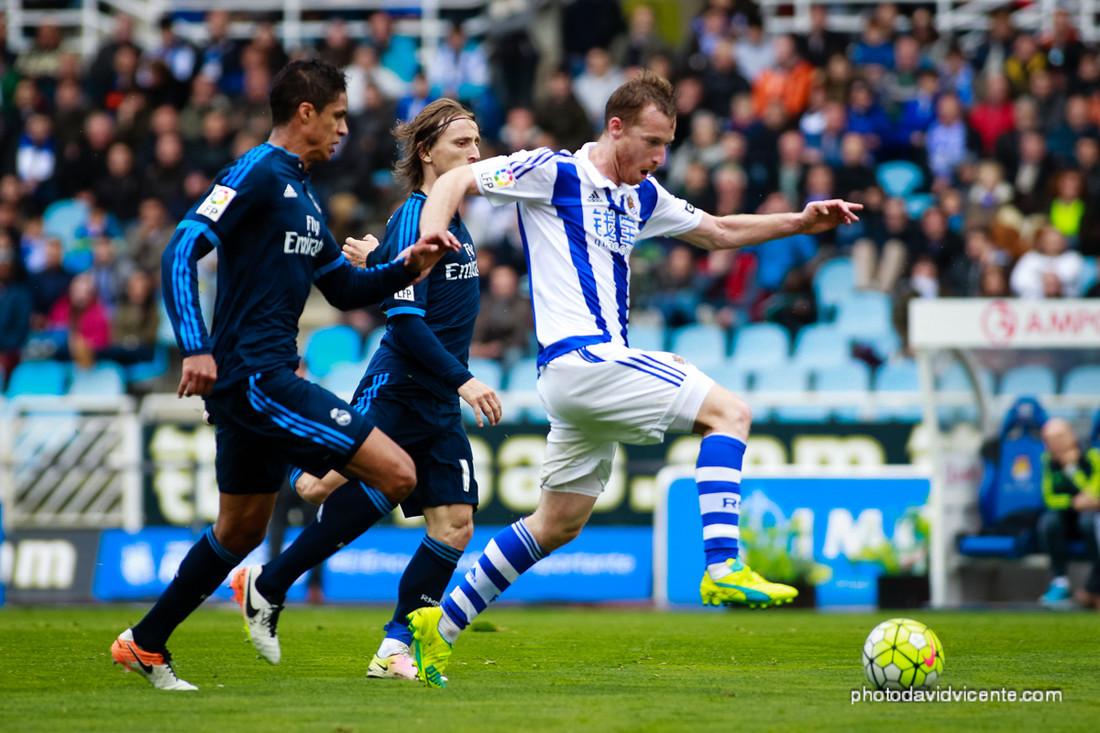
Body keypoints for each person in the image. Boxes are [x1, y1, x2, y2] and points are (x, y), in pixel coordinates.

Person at [406, 71, 861, 687]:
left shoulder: (642, 195)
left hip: (579, 382)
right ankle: (723, 563)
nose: (659, 158)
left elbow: (720, 231)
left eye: (666, 145)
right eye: (651, 142)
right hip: (583, 359)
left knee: (557, 522)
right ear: (615, 128)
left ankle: (440, 626)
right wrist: (434, 232)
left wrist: (801, 222)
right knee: (731, 414)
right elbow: (461, 177)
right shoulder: (554, 171)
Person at [109, 58, 458, 691]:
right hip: (256, 377)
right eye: (338, 116)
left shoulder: (302, 193)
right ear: (306, 113)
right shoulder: (257, 172)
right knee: (398, 470)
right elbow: (182, 246)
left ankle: (146, 642)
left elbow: (346, 288)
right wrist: (195, 345)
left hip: (254, 383)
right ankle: (281, 586)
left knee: (239, 529)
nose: (345, 130)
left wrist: (408, 265)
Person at [224, 98, 499, 680]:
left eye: (478, 143)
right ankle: (267, 573)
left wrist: (379, 262)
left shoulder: (455, 218)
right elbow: (404, 320)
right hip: (400, 387)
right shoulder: (416, 216)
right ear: (427, 153)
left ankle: (394, 645)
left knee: (455, 524)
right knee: (321, 487)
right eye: (462, 144)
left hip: (436, 403)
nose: (475, 155)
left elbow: (416, 293)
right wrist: (465, 380)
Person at [1036, 418, 1100, 609]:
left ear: (1070, 436)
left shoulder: (1092, 455)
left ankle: (1093, 586)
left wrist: (1072, 470)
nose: (1054, 444)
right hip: (1068, 516)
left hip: (1091, 516)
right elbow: (1048, 498)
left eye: (1058, 438)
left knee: (1090, 522)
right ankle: (1060, 582)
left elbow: (1094, 494)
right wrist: (1072, 503)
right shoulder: (1047, 460)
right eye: (1048, 440)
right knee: (1049, 521)